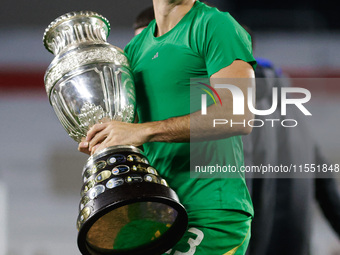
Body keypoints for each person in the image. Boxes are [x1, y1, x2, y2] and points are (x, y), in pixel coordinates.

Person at [79, 1, 256, 254]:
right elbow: (134, 133)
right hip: (155, 213)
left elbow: (238, 115)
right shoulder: (135, 49)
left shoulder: (215, 26)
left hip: (208, 210)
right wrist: (108, 144)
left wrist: (144, 131)